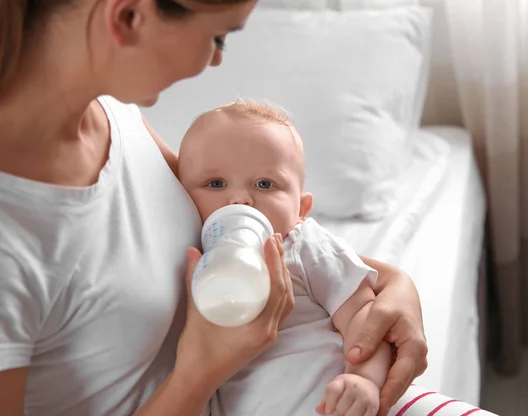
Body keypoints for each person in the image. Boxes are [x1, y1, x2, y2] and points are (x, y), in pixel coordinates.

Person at [0, 0, 428, 415]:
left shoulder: (113, 116)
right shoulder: (13, 238)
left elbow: (244, 228)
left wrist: (394, 283)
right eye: (218, 37)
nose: (216, 61)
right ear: (129, 17)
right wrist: (203, 370)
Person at [179, 99, 394, 416]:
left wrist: (364, 380)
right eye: (216, 183)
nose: (240, 199)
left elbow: (365, 315)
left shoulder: (306, 246)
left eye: (265, 184)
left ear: (301, 210)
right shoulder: (187, 258)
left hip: (334, 404)